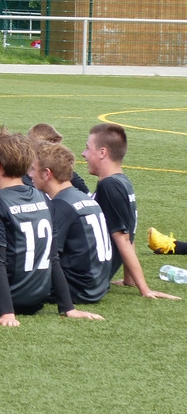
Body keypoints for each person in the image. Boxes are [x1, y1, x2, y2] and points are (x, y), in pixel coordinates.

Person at [0, 127, 104, 326]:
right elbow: (53, 257)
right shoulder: (43, 197)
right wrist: (69, 308)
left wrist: (7, 313)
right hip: (35, 300)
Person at [82, 123, 179, 300]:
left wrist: (145, 290)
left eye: (88, 148)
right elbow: (128, 230)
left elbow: (124, 239)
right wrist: (129, 279)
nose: (84, 153)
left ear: (102, 152)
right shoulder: (122, 181)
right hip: (98, 273)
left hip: (90, 275)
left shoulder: (109, 185)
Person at [29, 142, 110, 304]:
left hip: (78, 289)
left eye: (32, 169)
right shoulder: (84, 198)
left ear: (47, 174)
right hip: (98, 285)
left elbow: (45, 255)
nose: (30, 175)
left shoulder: (61, 206)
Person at [24, 123, 89, 193]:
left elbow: (88, 198)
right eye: (50, 150)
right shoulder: (20, 180)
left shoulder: (68, 177)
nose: (58, 153)